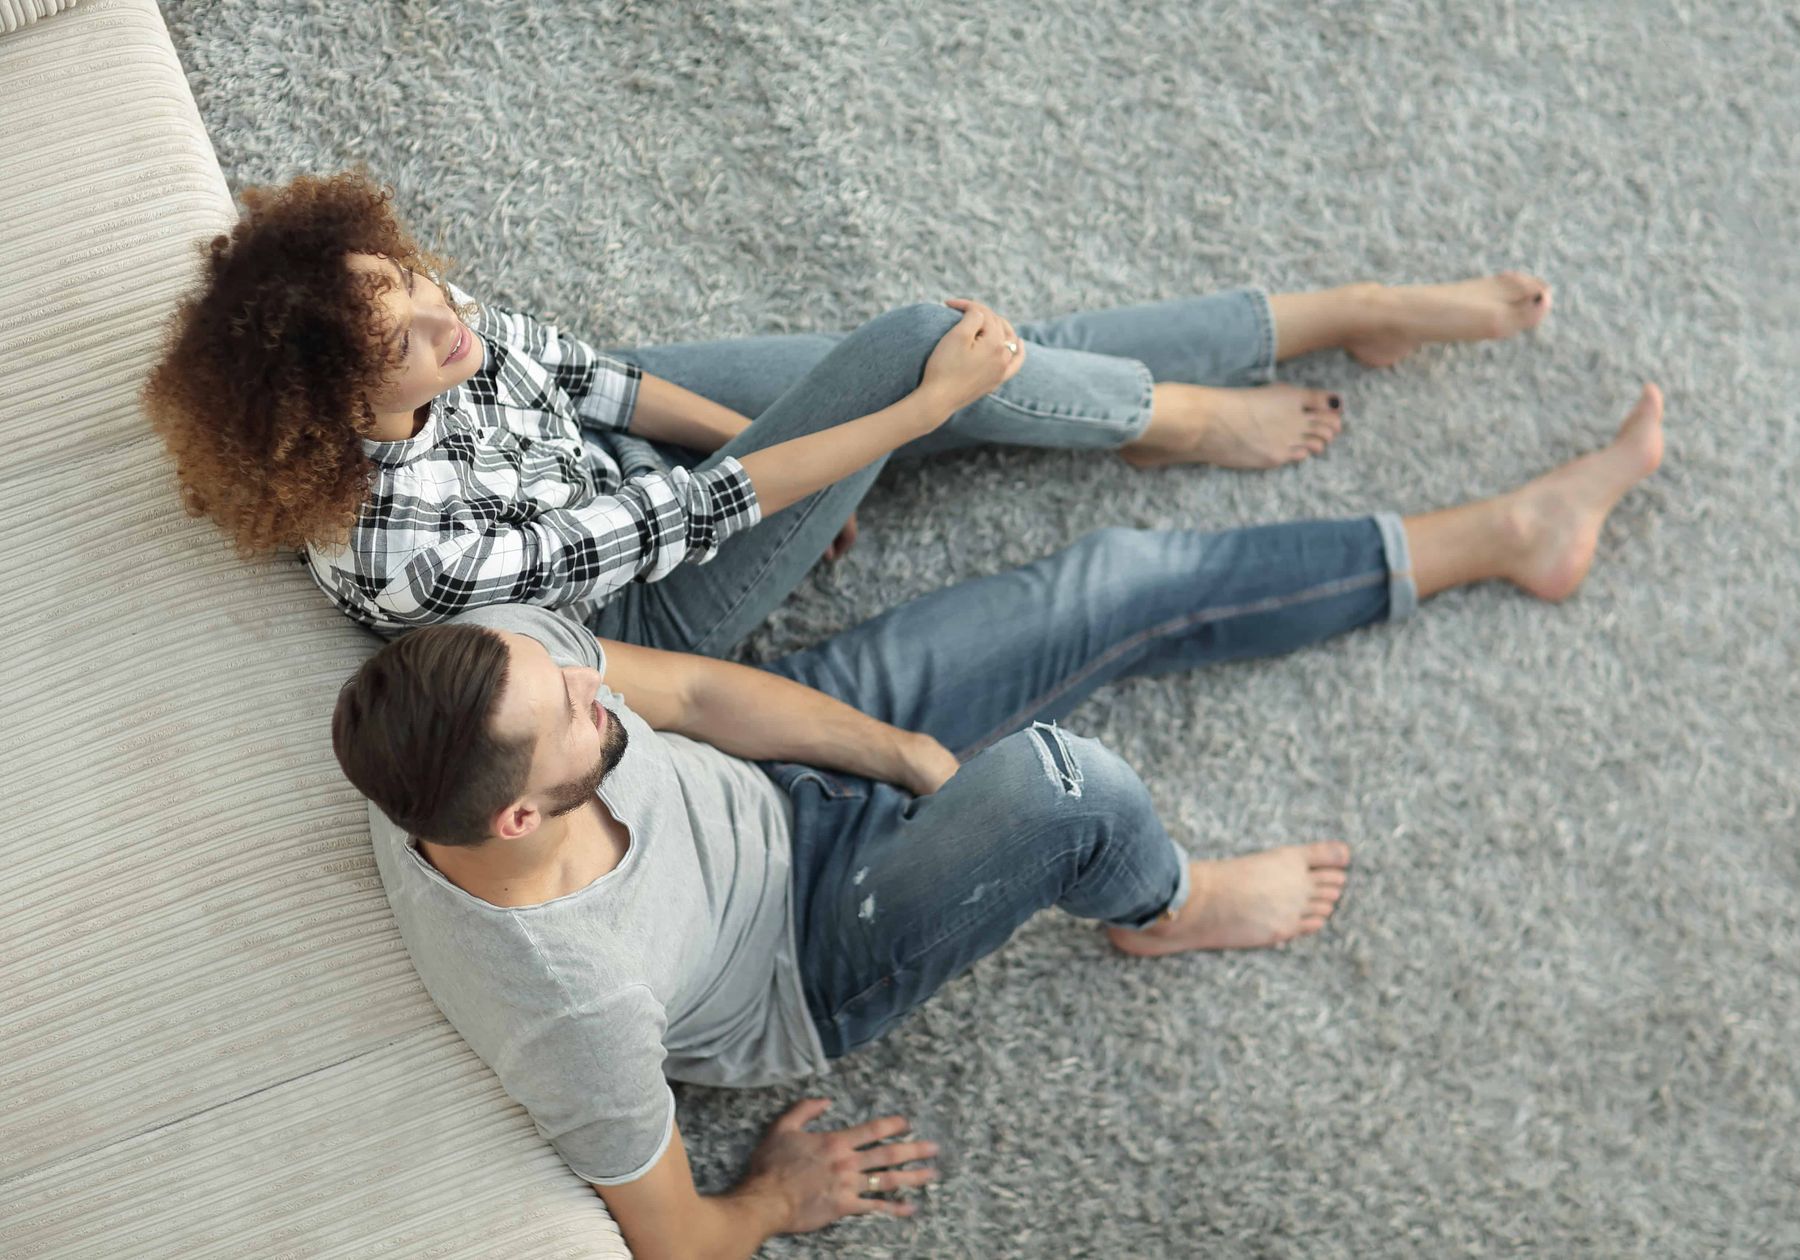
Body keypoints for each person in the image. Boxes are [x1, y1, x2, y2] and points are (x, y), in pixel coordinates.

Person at [328, 382, 1662, 1259]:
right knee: (1065, 786)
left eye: (563, 669)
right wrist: (777, 1202)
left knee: (1110, 582)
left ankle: (1507, 533)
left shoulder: (490, 672)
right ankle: (1170, 902)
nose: (583, 674)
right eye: (572, 711)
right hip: (811, 946)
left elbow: (674, 689)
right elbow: (670, 1236)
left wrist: (893, 747)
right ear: (517, 815)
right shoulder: (569, 1005)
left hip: (783, 783)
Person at [144, 168, 1551, 655]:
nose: (449, 311)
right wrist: (880, 426)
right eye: (410, 328)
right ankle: (1173, 415)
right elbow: (705, 519)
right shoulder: (408, 552)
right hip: (648, 598)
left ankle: (1319, 312)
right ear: (337, 410)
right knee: (940, 351)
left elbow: (604, 385)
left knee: (978, 361)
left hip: (622, 477)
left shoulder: (432, 335)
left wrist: (791, 422)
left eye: (412, 277)